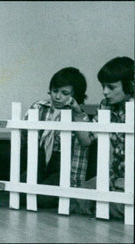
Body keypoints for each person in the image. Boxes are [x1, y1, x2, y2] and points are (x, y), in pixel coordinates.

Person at [70, 56, 134, 219]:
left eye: (111, 87)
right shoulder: (106, 106)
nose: (105, 92)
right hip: (113, 177)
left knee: (115, 203)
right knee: (76, 198)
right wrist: (78, 113)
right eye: (103, 86)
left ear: (130, 85)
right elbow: (86, 140)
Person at [22, 67, 92, 208]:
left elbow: (85, 143)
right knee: (22, 192)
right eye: (55, 91)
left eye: (64, 93)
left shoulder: (80, 116)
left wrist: (76, 112)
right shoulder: (39, 108)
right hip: (40, 161)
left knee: (42, 199)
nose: (57, 97)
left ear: (76, 95)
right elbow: (24, 134)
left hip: (62, 167)